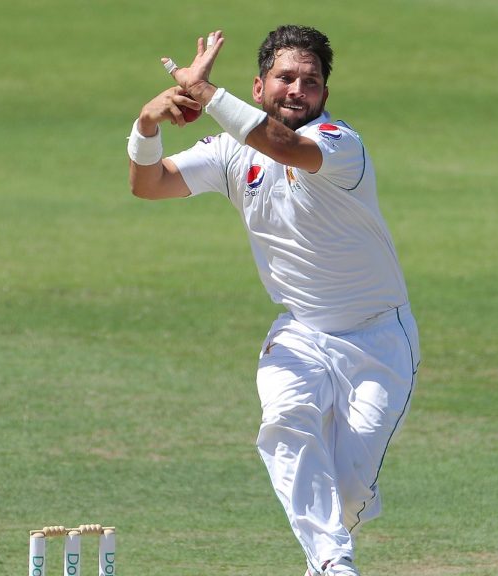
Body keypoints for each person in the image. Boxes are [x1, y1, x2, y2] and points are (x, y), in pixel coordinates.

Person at [127, 25, 420, 576]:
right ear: (258, 87)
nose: (297, 90)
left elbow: (282, 146)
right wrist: (146, 125)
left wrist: (204, 92)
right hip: (300, 332)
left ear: (325, 94)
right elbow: (150, 184)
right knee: (285, 421)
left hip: (378, 339)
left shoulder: (338, 144)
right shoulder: (230, 152)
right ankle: (334, 564)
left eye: (311, 82)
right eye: (285, 78)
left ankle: (322, 560)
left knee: (349, 492)